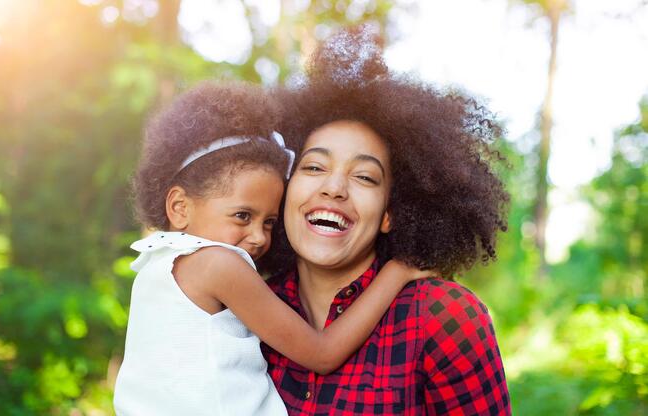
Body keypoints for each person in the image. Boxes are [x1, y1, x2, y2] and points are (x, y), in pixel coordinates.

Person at [113, 81, 433, 416]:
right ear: (180, 206)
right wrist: (397, 272)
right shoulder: (218, 265)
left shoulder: (155, 264)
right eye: (242, 216)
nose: (260, 237)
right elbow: (322, 355)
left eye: (269, 222)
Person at [262, 27, 512, 415]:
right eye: (314, 166)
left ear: (390, 215)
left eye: (364, 176)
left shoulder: (444, 320)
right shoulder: (244, 309)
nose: (334, 188)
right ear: (284, 189)